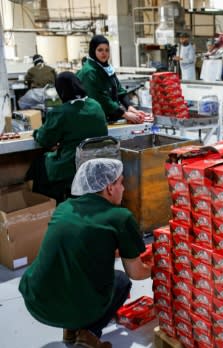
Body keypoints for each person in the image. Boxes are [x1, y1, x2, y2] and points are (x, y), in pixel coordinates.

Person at [19, 158, 151, 348]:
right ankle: (88, 335)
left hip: (36, 300)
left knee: (70, 273)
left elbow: (84, 246)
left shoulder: (64, 207)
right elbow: (136, 273)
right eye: (121, 182)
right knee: (121, 281)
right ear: (109, 188)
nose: (123, 188)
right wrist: (160, 269)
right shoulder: (120, 217)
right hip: (71, 308)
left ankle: (71, 330)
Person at [26, 72, 108, 203]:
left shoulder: (61, 112)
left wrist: (36, 133)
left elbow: (45, 140)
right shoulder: (95, 105)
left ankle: (49, 208)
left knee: (39, 164)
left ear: (60, 91)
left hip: (72, 167)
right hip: (96, 165)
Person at [77, 35, 147, 124]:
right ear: (92, 50)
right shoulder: (89, 72)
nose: (104, 53)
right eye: (100, 50)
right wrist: (125, 114)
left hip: (109, 117)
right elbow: (101, 99)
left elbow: (119, 89)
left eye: (107, 50)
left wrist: (130, 107)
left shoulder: (106, 68)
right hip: (94, 120)